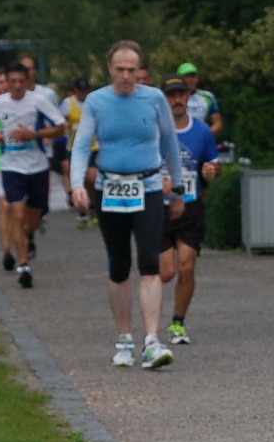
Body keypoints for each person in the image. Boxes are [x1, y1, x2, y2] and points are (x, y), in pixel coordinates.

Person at [70, 40, 186, 370]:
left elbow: (170, 144)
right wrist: (78, 184)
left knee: (150, 262)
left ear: (140, 71)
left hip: (147, 186)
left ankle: (151, 340)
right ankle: (124, 339)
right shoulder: (97, 101)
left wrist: (176, 189)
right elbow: (81, 147)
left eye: (131, 70)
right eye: (119, 70)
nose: (125, 76)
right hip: (110, 187)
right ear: (109, 70)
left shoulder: (154, 99)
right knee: (119, 265)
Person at [0, 63, 66, 289]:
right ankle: (24, 264)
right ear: (6, 82)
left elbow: (61, 127)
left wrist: (34, 134)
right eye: (12, 81)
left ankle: (26, 238)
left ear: (27, 81)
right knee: (16, 213)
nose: (17, 86)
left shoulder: (38, 101)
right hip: (11, 166)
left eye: (21, 81)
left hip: (36, 166)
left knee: (34, 216)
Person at [157, 76, 220, 344]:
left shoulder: (202, 131)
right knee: (166, 272)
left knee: (187, 266)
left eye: (180, 94)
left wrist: (212, 171)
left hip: (191, 206)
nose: (176, 100)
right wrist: (159, 182)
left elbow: (214, 165)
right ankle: (152, 318)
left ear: (188, 97)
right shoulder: (155, 131)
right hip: (159, 208)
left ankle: (178, 322)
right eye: (170, 96)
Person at [60, 77, 91, 223]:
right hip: (74, 148)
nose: (83, 94)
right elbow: (59, 120)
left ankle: (93, 206)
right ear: (75, 91)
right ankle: (82, 212)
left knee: (92, 177)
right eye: (80, 91)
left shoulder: (93, 101)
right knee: (79, 180)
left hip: (94, 146)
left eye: (86, 91)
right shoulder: (68, 103)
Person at [178, 63, 223, 137]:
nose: (190, 80)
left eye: (192, 77)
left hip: (201, 140)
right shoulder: (172, 98)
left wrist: (203, 135)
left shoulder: (208, 97)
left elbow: (218, 124)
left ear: (197, 78)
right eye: (186, 77)